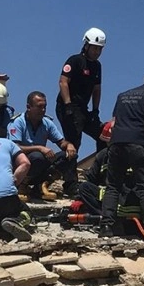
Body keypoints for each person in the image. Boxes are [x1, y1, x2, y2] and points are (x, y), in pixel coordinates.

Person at [100, 73, 144, 240]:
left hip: (117, 143)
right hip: (140, 144)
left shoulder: (122, 95)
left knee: (113, 187)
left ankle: (106, 227)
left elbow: (114, 123)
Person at [56, 27, 107, 197]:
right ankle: (70, 184)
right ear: (86, 45)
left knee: (103, 135)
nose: (97, 52)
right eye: (94, 48)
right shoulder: (75, 60)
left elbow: (97, 89)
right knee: (73, 142)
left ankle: (99, 176)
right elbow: (63, 82)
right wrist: (68, 105)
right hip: (68, 106)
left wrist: (96, 110)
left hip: (84, 109)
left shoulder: (97, 66)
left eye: (100, 49)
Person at [9, 91, 77, 201]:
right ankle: (21, 185)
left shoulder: (47, 123)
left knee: (68, 156)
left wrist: (69, 145)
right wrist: (40, 148)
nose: (43, 110)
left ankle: (42, 185)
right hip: (21, 164)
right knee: (37, 156)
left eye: (45, 107)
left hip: (40, 164)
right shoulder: (18, 122)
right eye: (39, 107)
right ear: (29, 107)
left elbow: (61, 142)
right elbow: (14, 147)